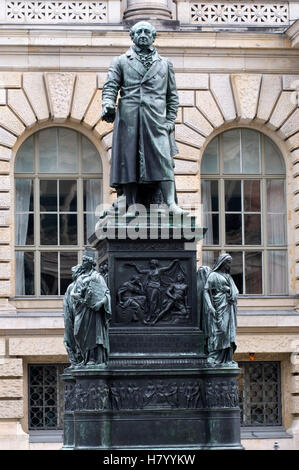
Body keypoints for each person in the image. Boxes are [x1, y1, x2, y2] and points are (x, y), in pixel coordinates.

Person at [101, 21, 187, 215]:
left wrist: (170, 121)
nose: (142, 34)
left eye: (147, 31)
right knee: (128, 161)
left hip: (156, 120)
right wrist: (107, 103)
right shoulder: (121, 61)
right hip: (129, 118)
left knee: (163, 160)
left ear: (153, 36)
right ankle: (131, 205)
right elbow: (110, 86)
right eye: (138, 31)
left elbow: (172, 96)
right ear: (132, 36)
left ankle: (171, 203)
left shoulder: (165, 64)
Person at [70, 253, 112, 366]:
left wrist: (100, 303)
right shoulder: (80, 278)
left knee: (93, 334)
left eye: (84, 261)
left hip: (93, 311)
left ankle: (93, 358)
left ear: (90, 263)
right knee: (78, 333)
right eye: (82, 261)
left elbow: (106, 293)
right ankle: (85, 358)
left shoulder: (97, 276)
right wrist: (80, 296)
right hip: (82, 309)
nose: (82, 263)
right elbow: (73, 293)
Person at [200, 253, 238, 367]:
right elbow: (206, 290)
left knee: (228, 333)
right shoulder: (213, 275)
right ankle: (214, 356)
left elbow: (235, 291)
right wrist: (210, 306)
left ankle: (226, 358)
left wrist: (232, 295)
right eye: (228, 262)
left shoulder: (228, 277)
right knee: (219, 331)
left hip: (229, 307)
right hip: (218, 306)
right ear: (222, 263)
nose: (229, 265)